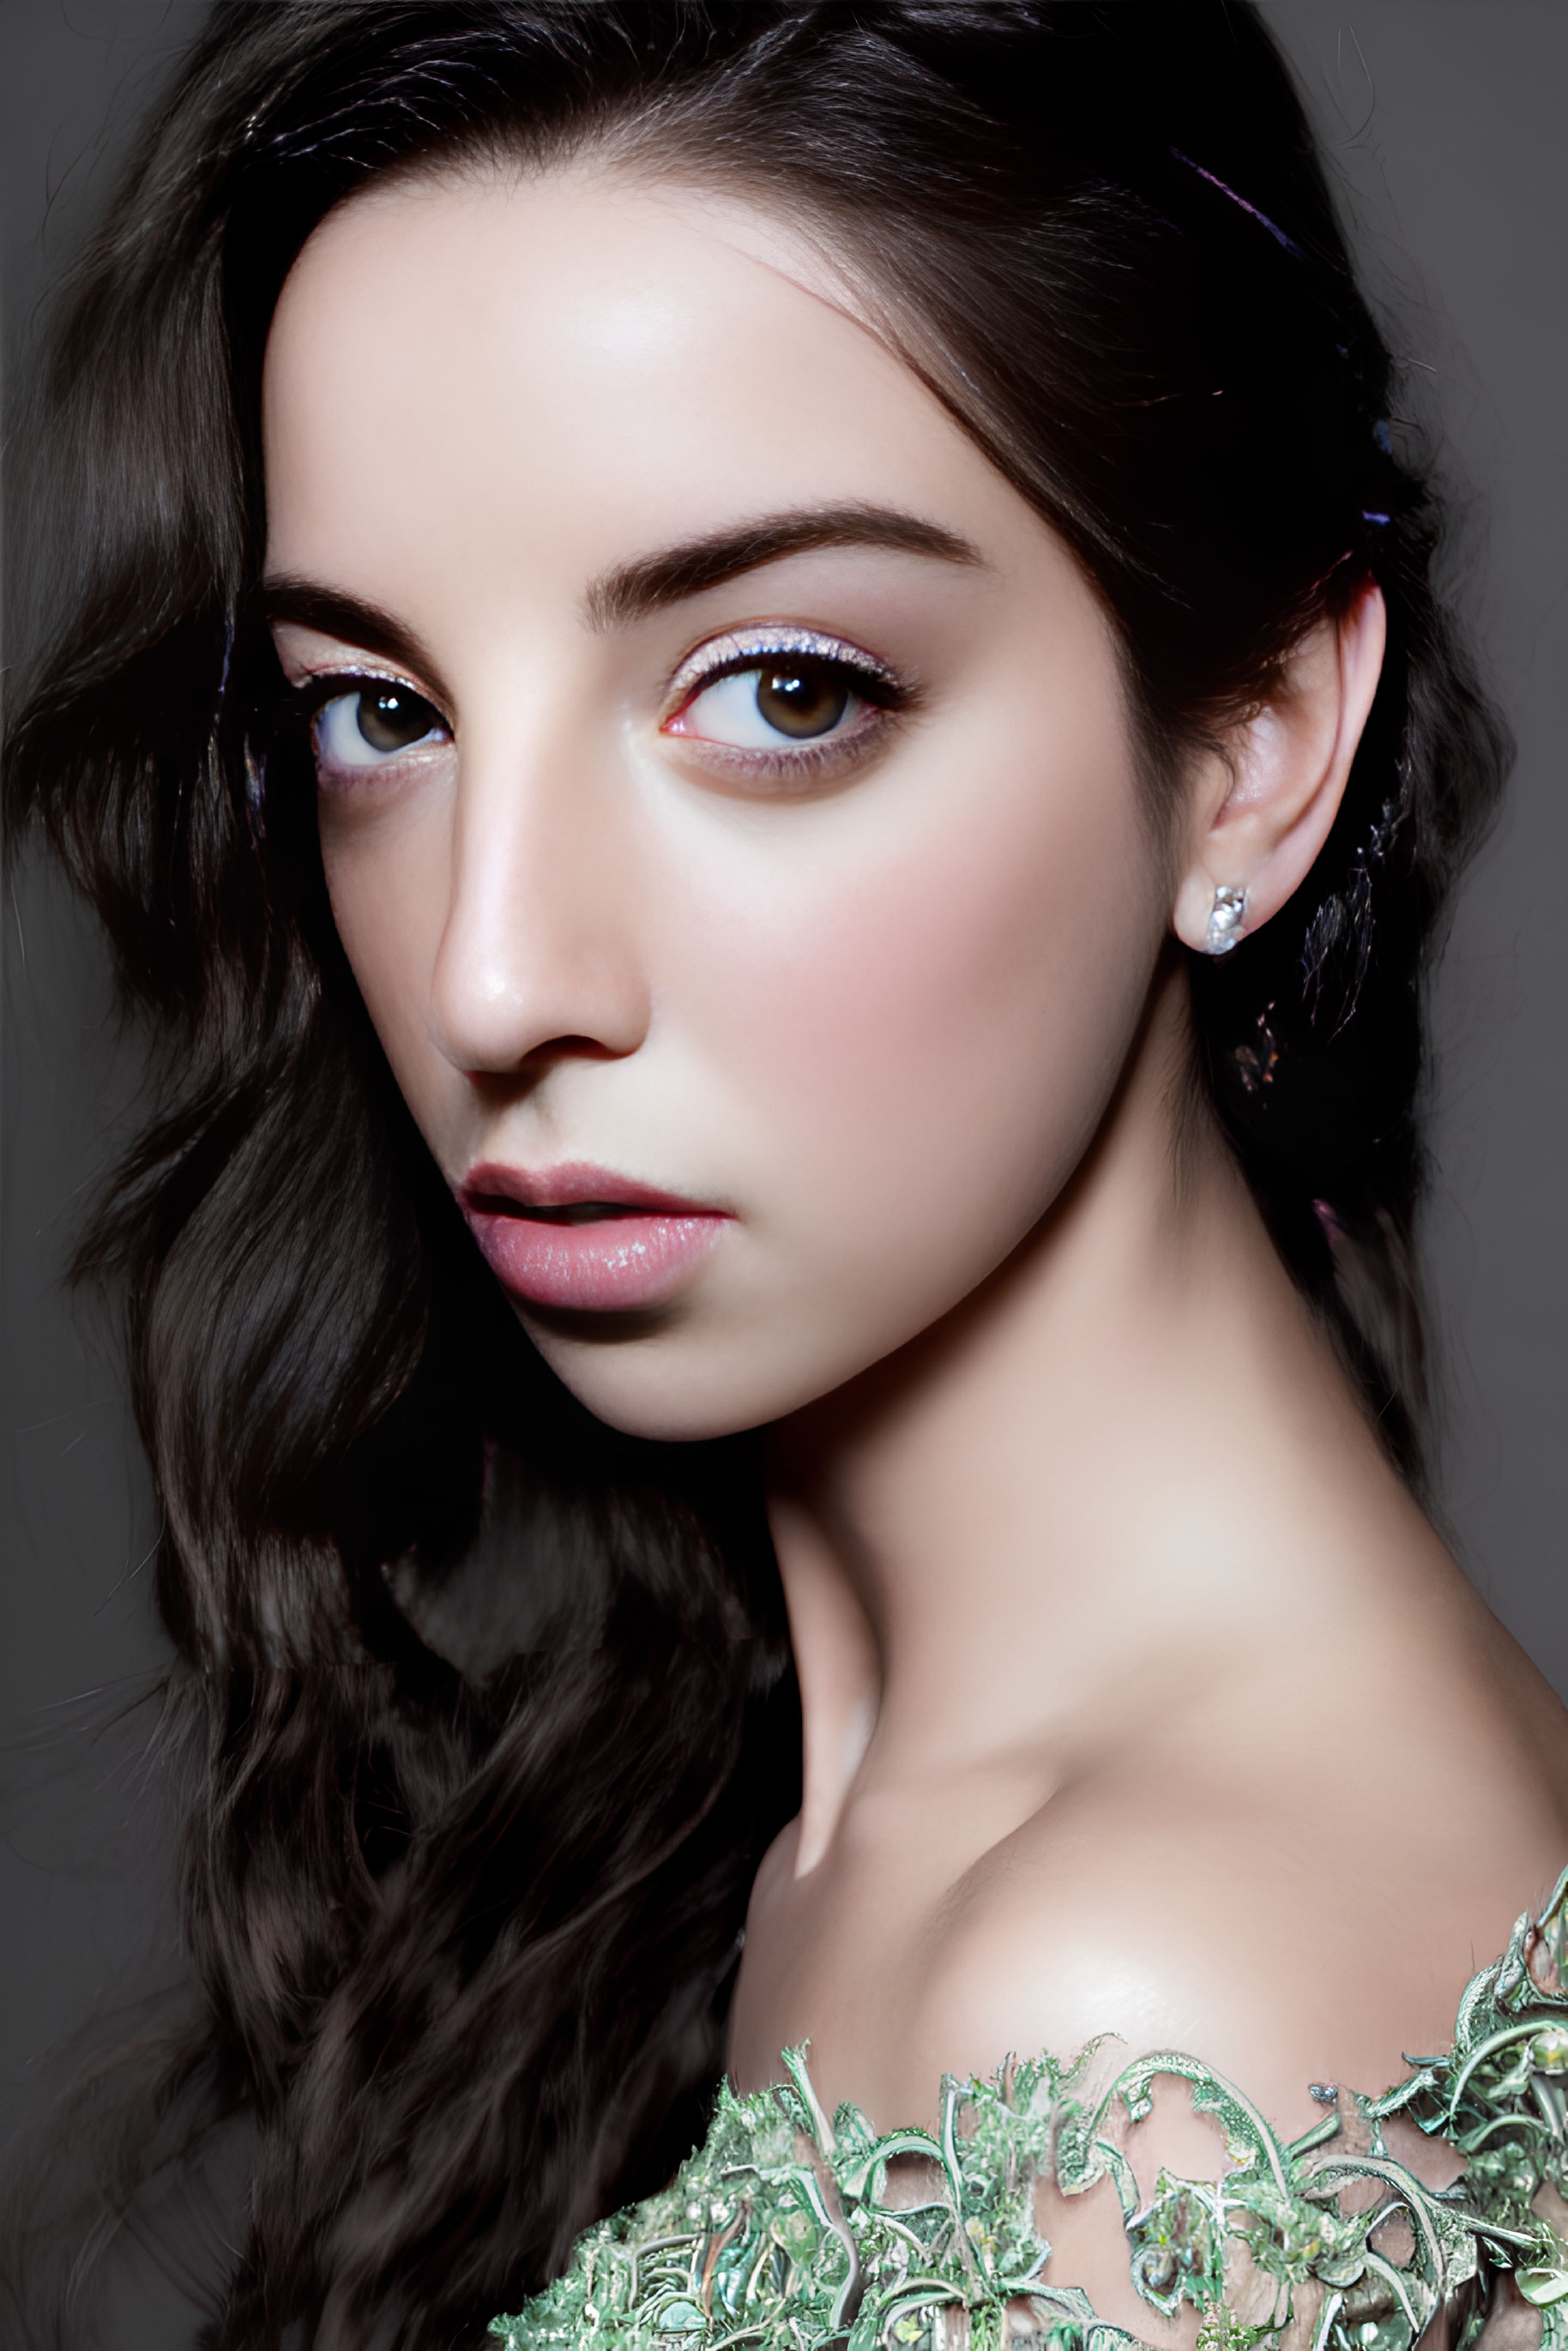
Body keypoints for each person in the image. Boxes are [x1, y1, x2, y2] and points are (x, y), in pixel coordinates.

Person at [8, 4, 1568, 2347]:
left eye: (780, 689)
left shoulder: (1146, 2025)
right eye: (382, 713)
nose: (491, 969)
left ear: (1249, 747)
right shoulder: (835, 1798)